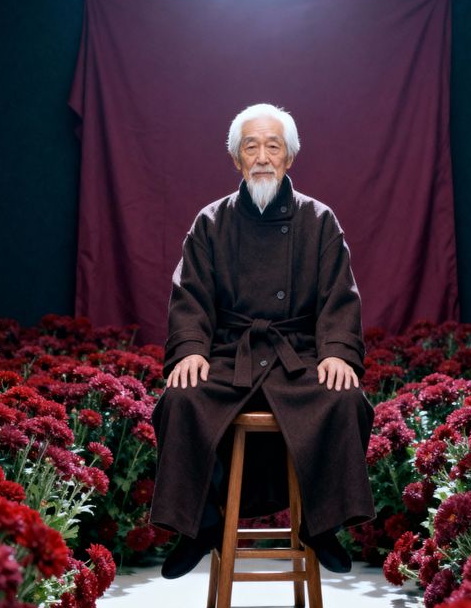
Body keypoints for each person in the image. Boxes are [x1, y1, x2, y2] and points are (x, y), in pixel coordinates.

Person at [150, 103, 375, 579]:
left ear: (290, 157)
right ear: (236, 159)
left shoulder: (320, 221)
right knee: (181, 398)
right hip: (232, 355)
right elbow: (190, 293)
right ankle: (201, 526)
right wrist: (190, 348)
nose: (262, 156)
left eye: (273, 146)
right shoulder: (210, 222)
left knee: (344, 398)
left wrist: (337, 353)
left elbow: (340, 294)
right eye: (250, 146)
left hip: (297, 357)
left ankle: (322, 525)